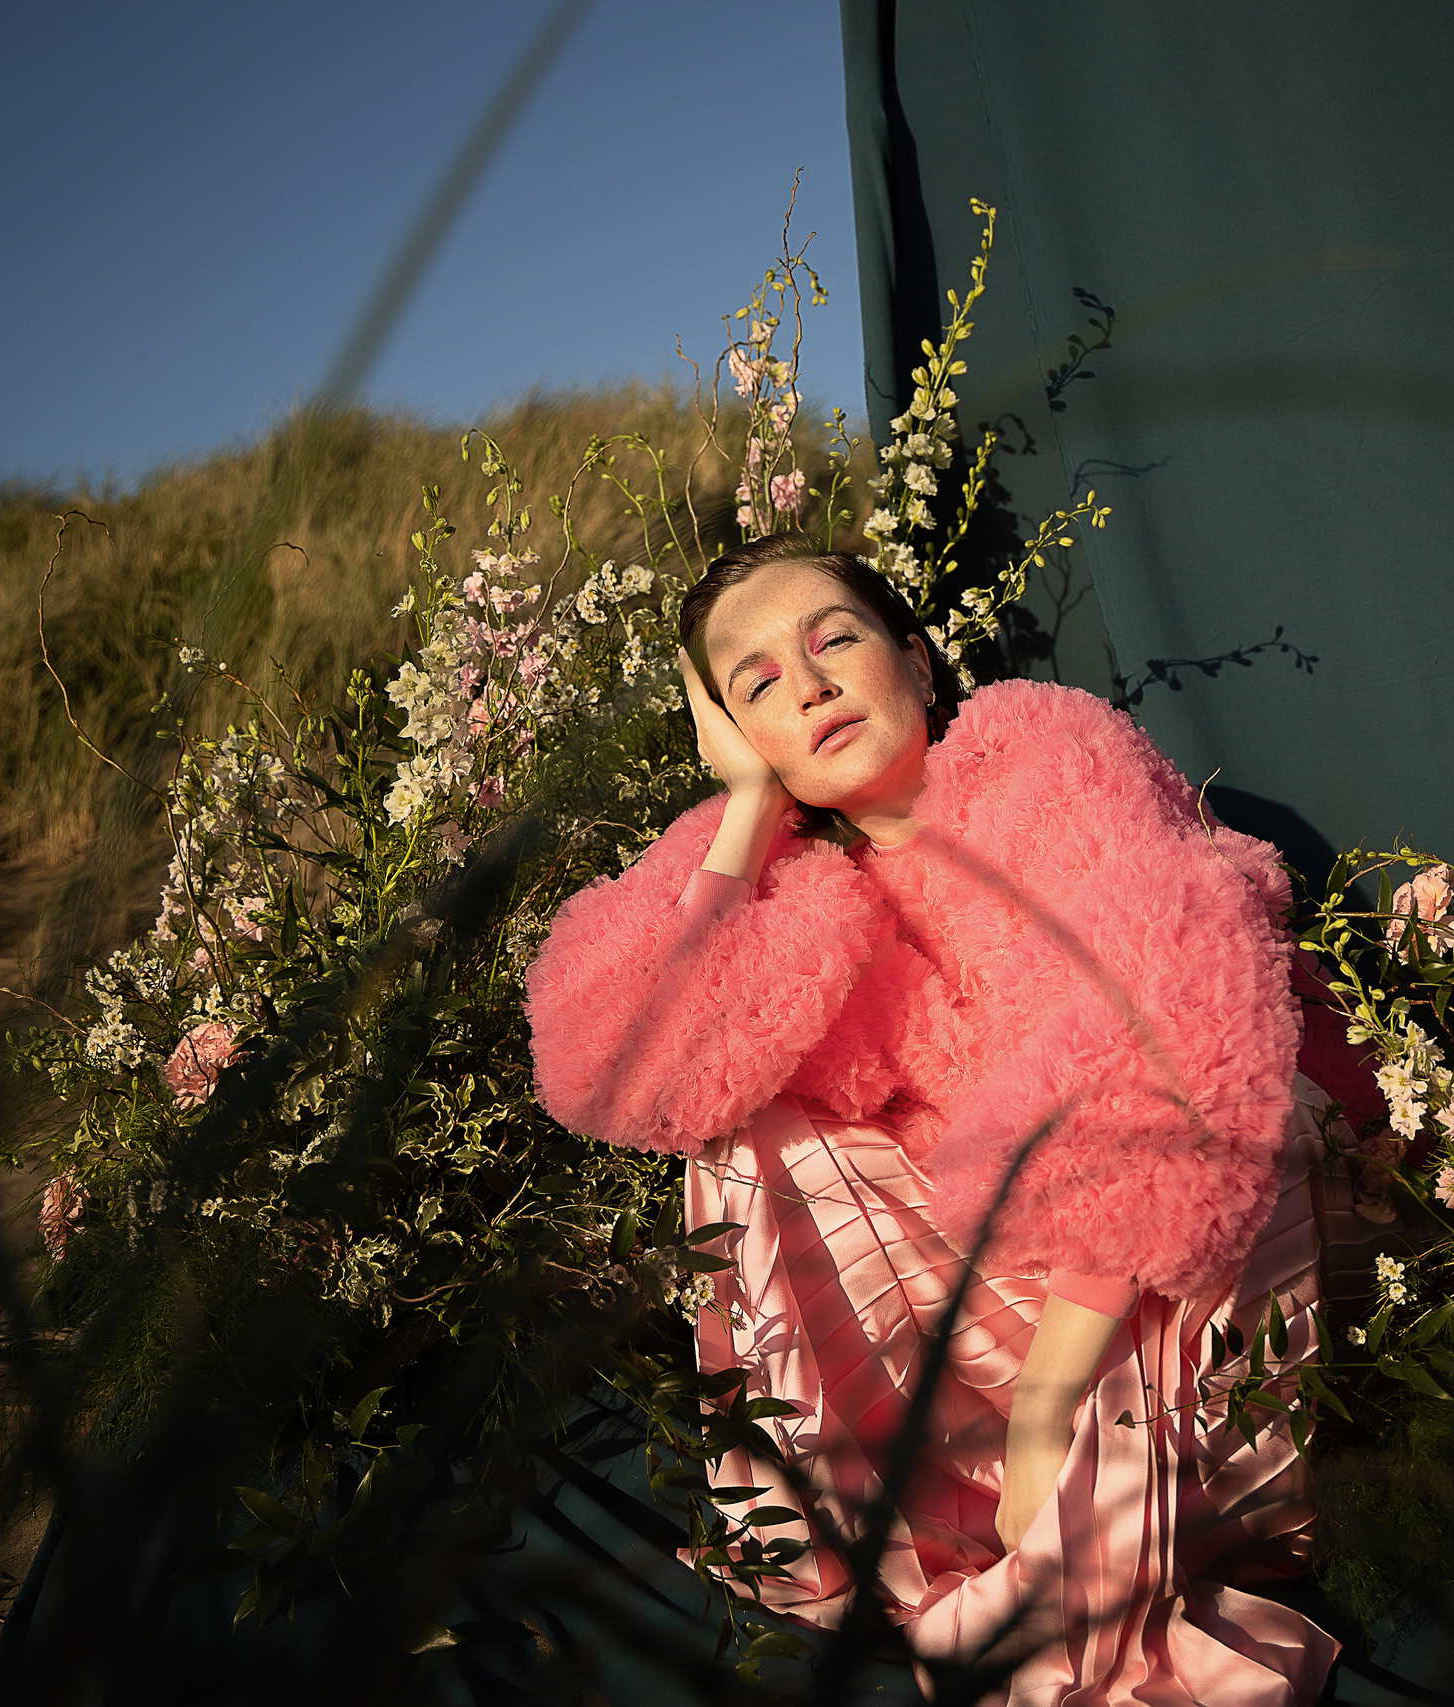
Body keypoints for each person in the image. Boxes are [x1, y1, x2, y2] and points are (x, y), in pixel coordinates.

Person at [524, 534, 1371, 1705]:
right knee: (751, 1146)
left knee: (1266, 1112)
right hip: (1002, 1290)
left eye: (835, 642)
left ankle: (1107, 1529)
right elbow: (604, 1071)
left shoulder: (1044, 752)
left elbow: (1175, 1016)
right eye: (757, 684)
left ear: (917, 665)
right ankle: (952, 1543)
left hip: (1198, 1245)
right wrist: (744, 807)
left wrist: (1041, 1409)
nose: (809, 685)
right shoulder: (789, 872)